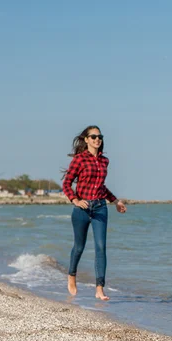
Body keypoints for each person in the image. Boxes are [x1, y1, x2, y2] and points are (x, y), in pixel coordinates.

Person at [62, 125, 127, 301]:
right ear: (86, 139)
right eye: (93, 136)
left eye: (100, 136)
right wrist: (75, 200)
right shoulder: (79, 160)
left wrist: (115, 201)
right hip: (81, 209)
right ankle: (71, 276)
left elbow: (101, 187)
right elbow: (67, 183)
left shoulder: (104, 161)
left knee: (101, 247)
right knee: (79, 247)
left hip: (100, 207)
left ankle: (99, 289)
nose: (97, 139)